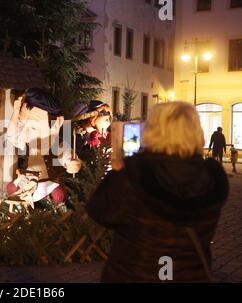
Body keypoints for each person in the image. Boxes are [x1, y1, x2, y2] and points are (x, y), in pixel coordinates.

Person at [87, 102, 229, 282]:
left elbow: (99, 211)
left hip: (132, 276)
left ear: (152, 130)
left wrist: (117, 172)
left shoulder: (133, 175)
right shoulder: (211, 177)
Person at [6, 88, 78, 205]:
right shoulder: (27, 143)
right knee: (11, 188)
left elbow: (67, 156)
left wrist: (71, 163)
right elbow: (11, 136)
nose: (26, 132)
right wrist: (15, 113)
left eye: (34, 128)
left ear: (56, 125)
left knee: (57, 194)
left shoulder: (57, 145)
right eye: (22, 125)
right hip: (29, 182)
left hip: (49, 184)